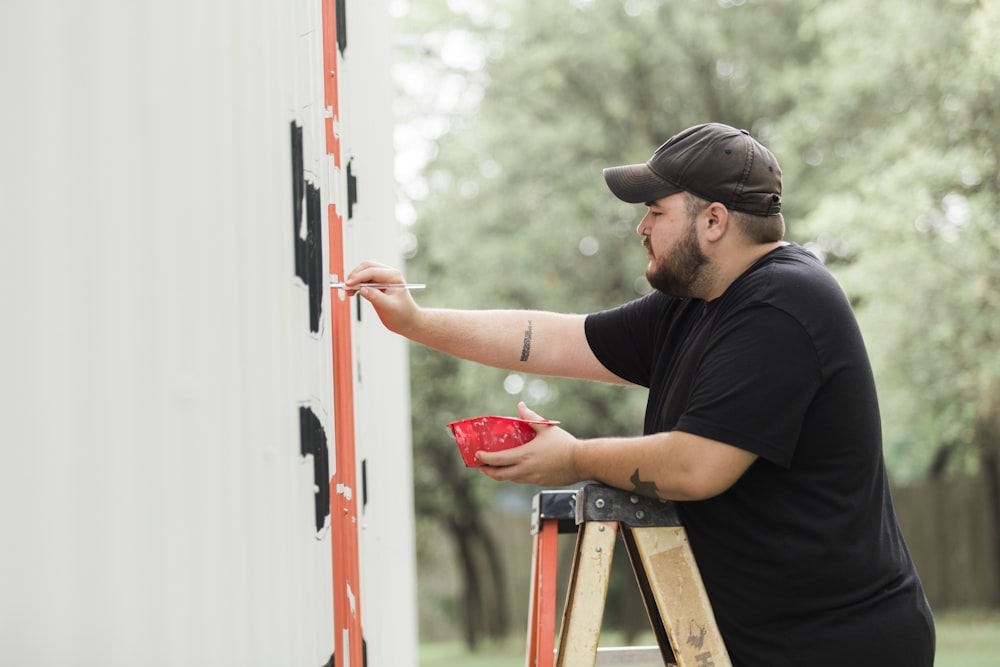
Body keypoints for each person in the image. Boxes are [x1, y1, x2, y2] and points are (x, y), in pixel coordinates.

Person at [346, 123, 935, 666]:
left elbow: (695, 465)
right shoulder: (694, 306)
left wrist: (573, 458)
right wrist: (416, 323)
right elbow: (553, 339)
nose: (641, 227)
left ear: (714, 221)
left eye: (655, 210)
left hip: (840, 648)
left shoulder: (783, 304)